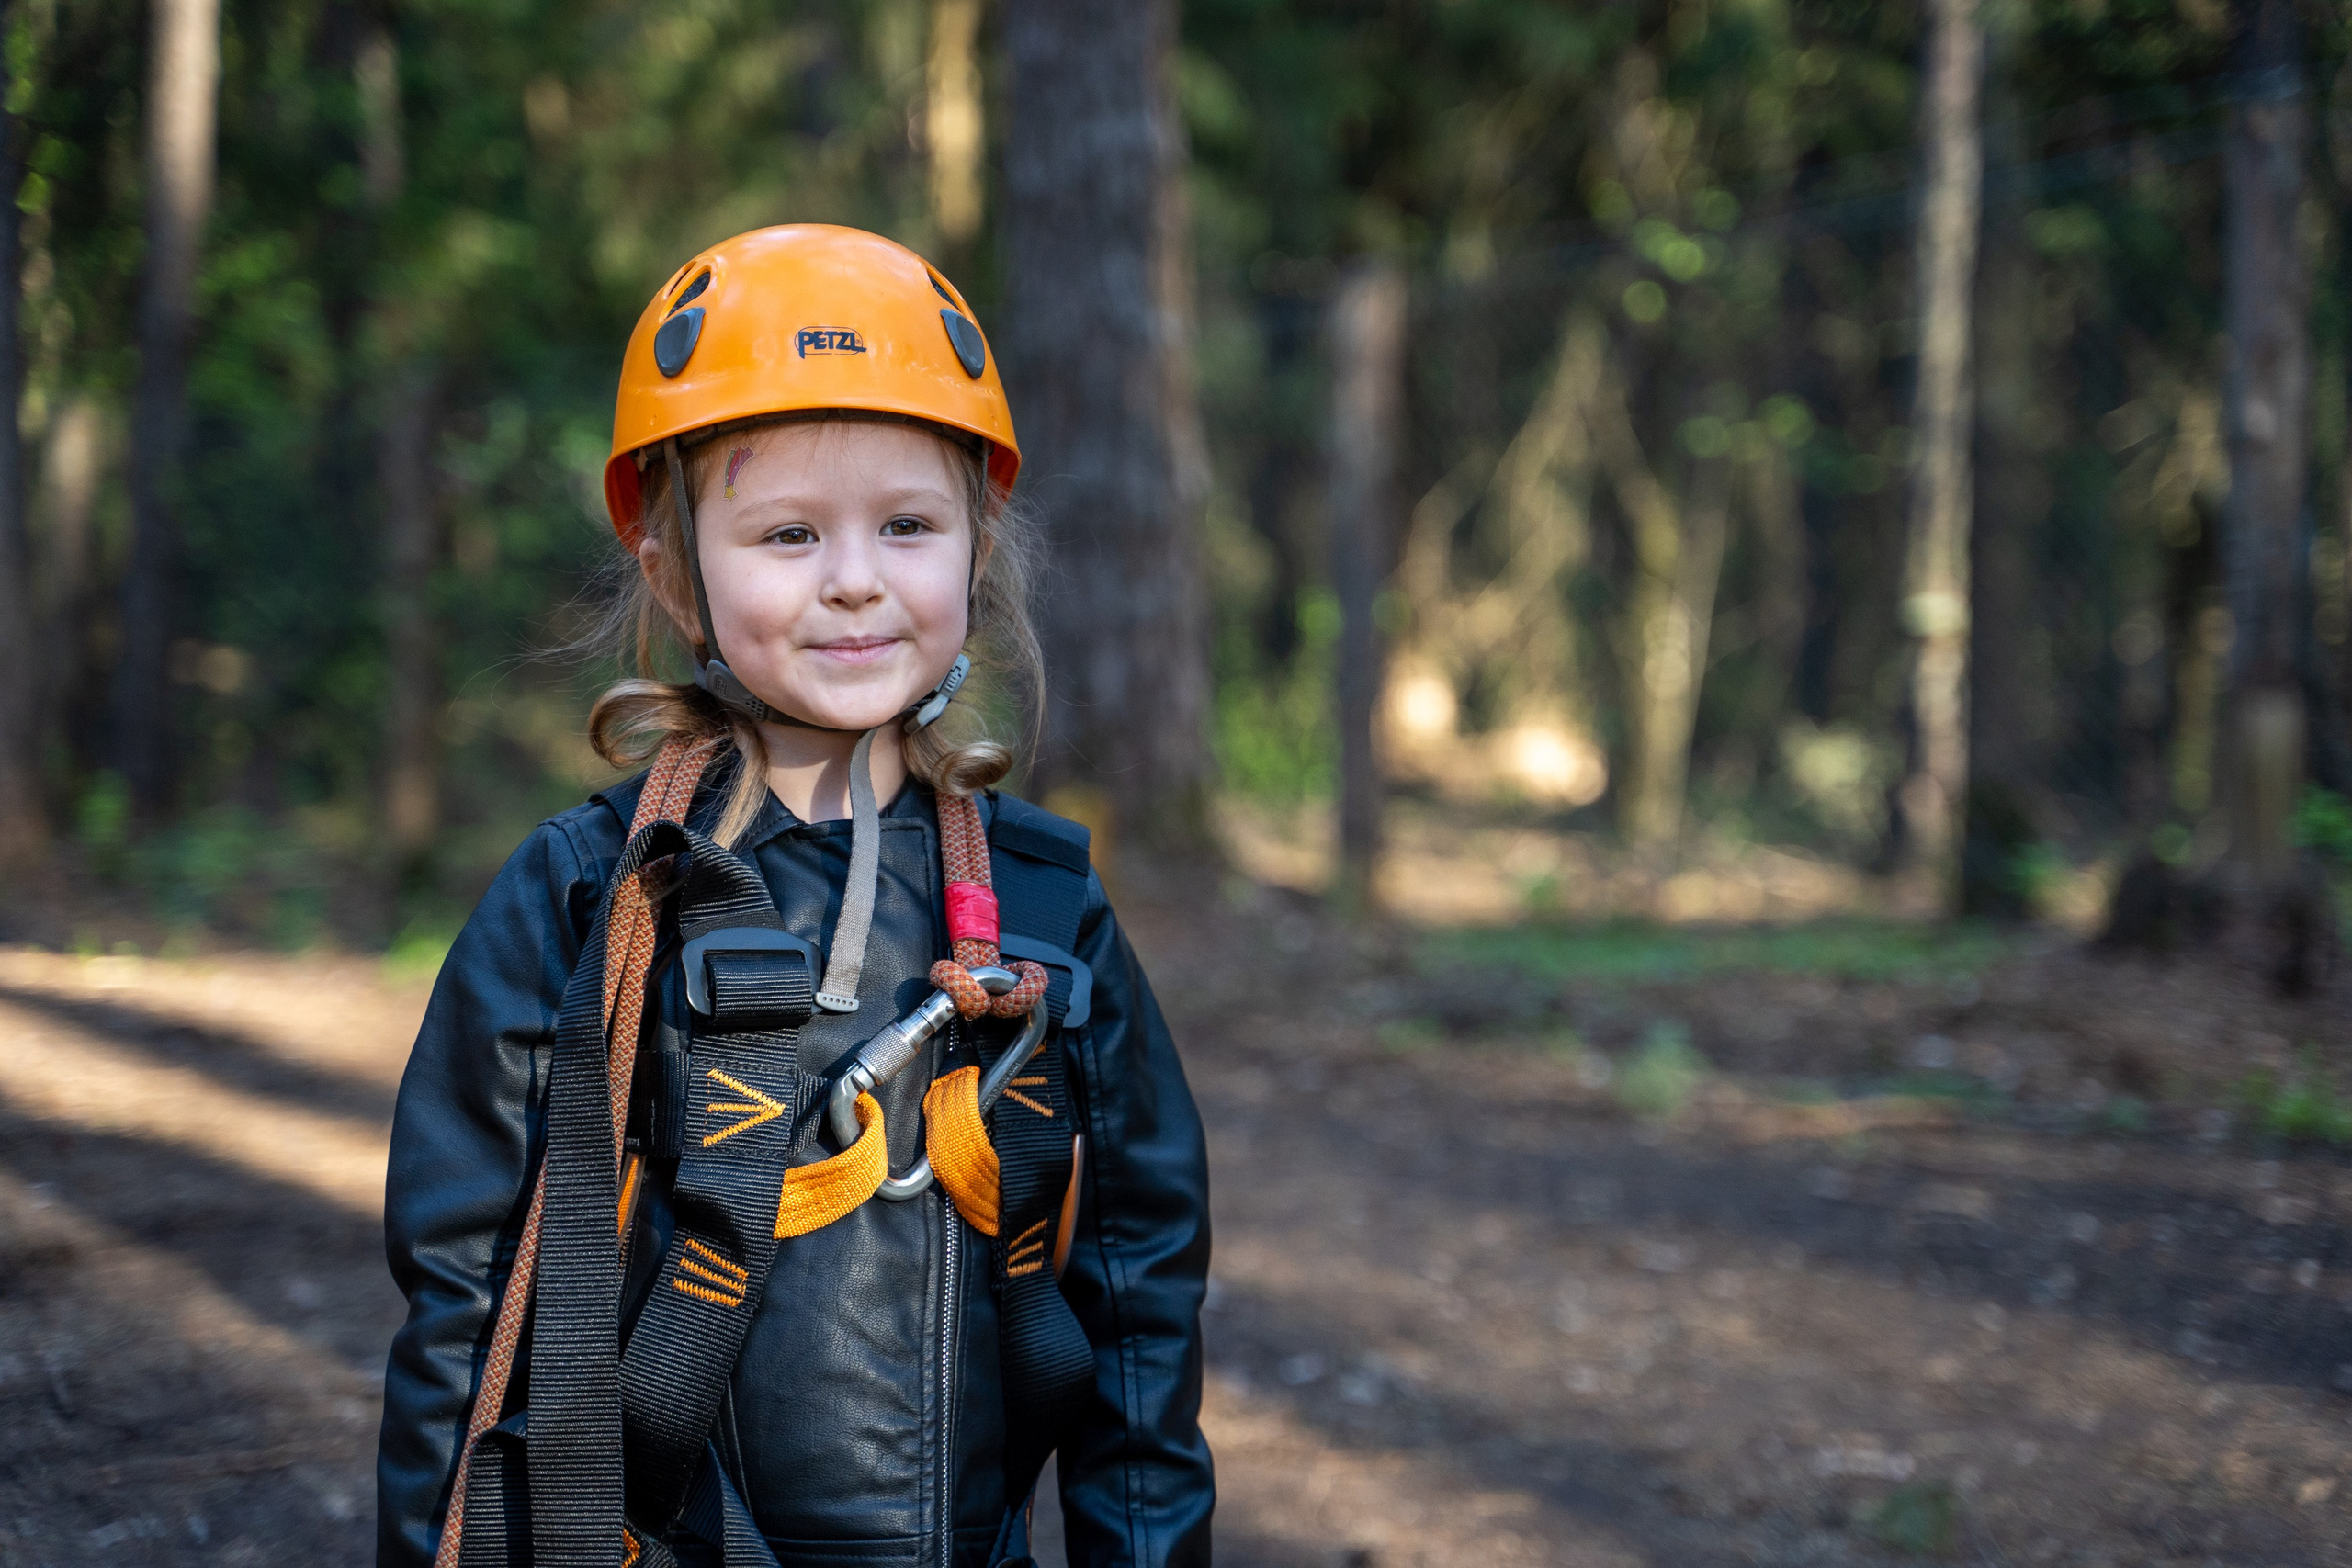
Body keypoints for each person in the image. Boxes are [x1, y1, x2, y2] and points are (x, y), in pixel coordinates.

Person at [375, 225, 1214, 1568]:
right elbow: (469, 1313)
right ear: (672, 571)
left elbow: (1136, 1315)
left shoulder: (1046, 913)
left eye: (907, 525)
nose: (856, 580)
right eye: (786, 533)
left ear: (974, 549)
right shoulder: (592, 899)